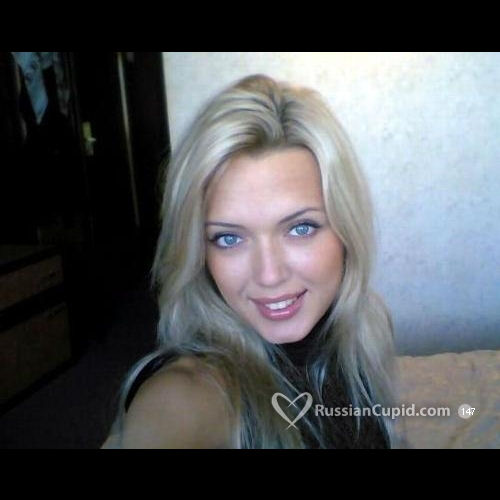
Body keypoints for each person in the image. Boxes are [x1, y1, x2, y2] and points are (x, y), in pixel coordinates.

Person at [101, 74, 397, 449]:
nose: (269, 275)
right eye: (229, 238)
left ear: (346, 229)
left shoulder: (367, 325)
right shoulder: (188, 397)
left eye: (301, 228)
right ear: (198, 253)